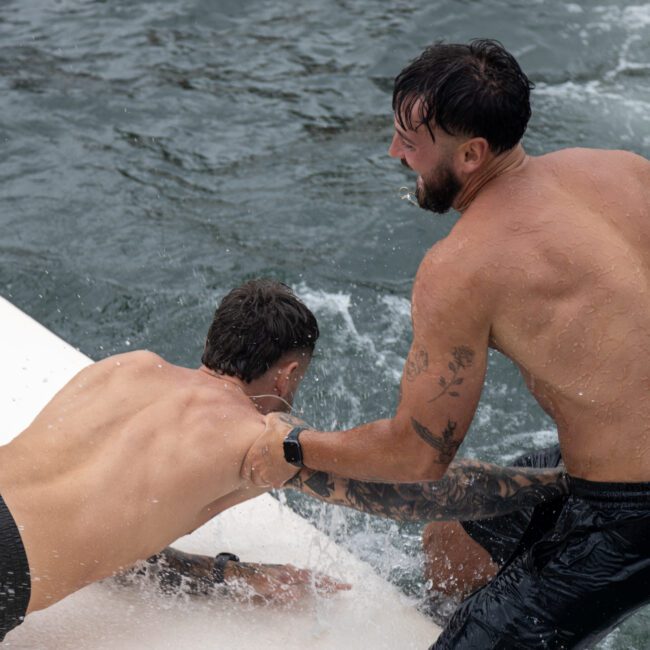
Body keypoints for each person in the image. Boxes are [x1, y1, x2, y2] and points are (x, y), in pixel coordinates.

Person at [243, 39, 650, 648]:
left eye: (411, 143)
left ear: (471, 154)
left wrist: (293, 445)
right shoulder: (623, 171)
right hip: (612, 461)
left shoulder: (463, 266)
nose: (394, 152)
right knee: (455, 534)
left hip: (630, 511)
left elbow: (417, 456)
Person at [0, 277, 566, 642]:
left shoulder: (123, 369)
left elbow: (96, 534)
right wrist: (556, 483)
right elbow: (420, 494)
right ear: (288, 373)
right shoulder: (259, 440)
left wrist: (228, 575)